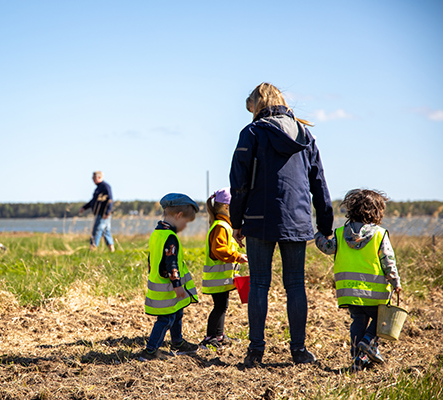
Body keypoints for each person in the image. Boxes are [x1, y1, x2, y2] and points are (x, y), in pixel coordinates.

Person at [229, 82, 334, 367]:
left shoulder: (251, 133)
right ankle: (299, 351)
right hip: (298, 219)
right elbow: (319, 182)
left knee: (260, 284)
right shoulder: (304, 134)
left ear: (257, 105)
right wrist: (325, 224)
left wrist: (235, 223)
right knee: (295, 284)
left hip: (259, 219)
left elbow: (238, 184)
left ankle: (255, 351)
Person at [315, 189, 402, 371]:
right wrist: (395, 282)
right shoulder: (379, 234)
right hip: (375, 294)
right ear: (376, 212)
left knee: (358, 321)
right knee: (379, 321)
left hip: (350, 293)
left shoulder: (340, 234)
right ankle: (368, 343)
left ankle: (357, 359)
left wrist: (318, 236)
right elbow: (388, 261)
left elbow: (326, 247)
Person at [139, 193, 200, 361]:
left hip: (162, 286)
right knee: (166, 319)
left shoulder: (156, 233)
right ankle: (150, 351)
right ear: (178, 216)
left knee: (177, 312)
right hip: (168, 288)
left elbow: (152, 259)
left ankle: (177, 342)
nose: (185, 226)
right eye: (185, 222)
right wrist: (178, 285)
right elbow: (171, 264)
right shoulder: (170, 237)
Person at [200, 188, 248, 349]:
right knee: (219, 307)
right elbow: (219, 250)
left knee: (222, 306)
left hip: (221, 279)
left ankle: (218, 336)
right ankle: (210, 338)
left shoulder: (224, 226)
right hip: (217, 279)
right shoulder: (221, 226)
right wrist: (237, 256)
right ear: (227, 207)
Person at [79, 171, 115, 251]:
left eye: (93, 178)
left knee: (97, 230)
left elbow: (110, 200)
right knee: (106, 231)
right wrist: (84, 207)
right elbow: (93, 201)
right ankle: (111, 249)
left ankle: (92, 248)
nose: (92, 180)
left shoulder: (105, 186)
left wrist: (107, 212)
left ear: (99, 177)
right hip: (100, 213)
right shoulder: (98, 188)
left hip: (103, 213)